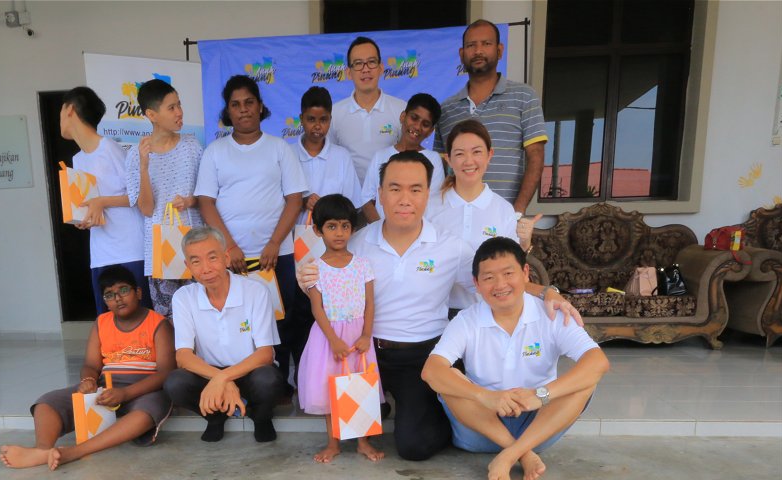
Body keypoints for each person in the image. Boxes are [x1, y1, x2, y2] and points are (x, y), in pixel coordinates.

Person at [297, 151, 581, 461]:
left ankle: (423, 409)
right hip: (364, 351)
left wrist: (548, 292)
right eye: (395, 188)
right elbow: (323, 282)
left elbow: (493, 282)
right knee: (353, 406)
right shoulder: (356, 242)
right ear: (379, 194)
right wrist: (304, 278)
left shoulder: (450, 246)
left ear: (428, 194)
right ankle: (379, 408)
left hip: (420, 355)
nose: (405, 198)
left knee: (415, 447)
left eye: (415, 189)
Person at [422, 237, 609, 480]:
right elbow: (431, 371)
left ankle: (509, 455)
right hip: (482, 429)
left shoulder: (551, 315)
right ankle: (522, 454)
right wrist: (485, 396)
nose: (500, 285)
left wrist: (540, 395)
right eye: (488, 278)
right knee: (449, 379)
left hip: (538, 426)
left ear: (525, 273)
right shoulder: (467, 320)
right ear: (476, 284)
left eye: (508, 273)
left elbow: (598, 362)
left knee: (584, 383)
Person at [195, 75, 308, 393]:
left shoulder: (279, 149)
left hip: (277, 255)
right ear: (227, 112)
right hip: (230, 258)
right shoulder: (215, 152)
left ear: (260, 107)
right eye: (235, 104)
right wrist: (229, 247)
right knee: (236, 320)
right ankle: (237, 381)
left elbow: (294, 200)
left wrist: (274, 243)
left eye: (249, 102)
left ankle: (280, 385)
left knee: (280, 321)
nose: (243, 110)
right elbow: (206, 202)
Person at [0, 266, 174, 471]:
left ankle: (74, 452)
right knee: (47, 402)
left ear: (138, 292)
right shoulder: (101, 323)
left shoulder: (158, 324)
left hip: (144, 389)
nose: (118, 298)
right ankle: (42, 451)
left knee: (146, 414)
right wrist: (88, 381)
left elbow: (165, 372)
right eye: (109, 295)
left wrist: (125, 393)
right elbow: (91, 365)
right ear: (105, 302)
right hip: (106, 388)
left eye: (123, 290)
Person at [164, 226, 287, 444]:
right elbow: (183, 356)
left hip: (250, 369)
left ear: (226, 257)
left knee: (268, 380)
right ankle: (215, 416)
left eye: (212, 258)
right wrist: (218, 378)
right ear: (188, 266)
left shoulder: (255, 291)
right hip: (208, 372)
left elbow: (266, 354)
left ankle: (260, 416)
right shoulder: (183, 297)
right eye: (196, 261)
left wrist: (223, 378)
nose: (206, 268)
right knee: (175, 383)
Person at [296, 194, 384, 464]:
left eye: (345, 226)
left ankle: (362, 442)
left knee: (360, 386)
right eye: (332, 226)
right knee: (329, 389)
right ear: (318, 230)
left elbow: (370, 303)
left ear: (352, 229)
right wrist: (333, 340)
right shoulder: (315, 268)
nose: (339, 233)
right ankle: (333, 442)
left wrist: (366, 334)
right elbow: (317, 309)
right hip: (328, 338)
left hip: (358, 336)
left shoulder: (362, 265)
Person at [433, 19, 547, 215]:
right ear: (462, 55)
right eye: (471, 45)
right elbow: (440, 167)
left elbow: (535, 157)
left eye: (486, 44)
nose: (478, 51)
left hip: (505, 216)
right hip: (456, 217)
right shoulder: (447, 109)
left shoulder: (524, 96)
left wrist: (516, 212)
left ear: (499, 50)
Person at [432, 119, 541, 308]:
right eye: (459, 154)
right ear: (448, 159)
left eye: (477, 152)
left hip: (488, 312)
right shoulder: (430, 207)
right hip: (435, 316)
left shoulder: (503, 210)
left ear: (489, 155)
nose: (469, 161)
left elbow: (511, 268)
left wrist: (524, 244)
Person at [59, 87, 148, 314]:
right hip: (100, 253)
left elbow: (139, 197)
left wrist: (102, 201)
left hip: (130, 251)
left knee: (138, 319)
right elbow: (91, 203)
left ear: (70, 109)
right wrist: (85, 218)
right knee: (109, 323)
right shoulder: (78, 159)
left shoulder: (110, 148)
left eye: (61, 110)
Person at [126, 78, 203, 319]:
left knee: (203, 317)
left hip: (197, 248)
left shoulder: (192, 146)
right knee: (170, 322)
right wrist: (144, 167)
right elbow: (147, 209)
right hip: (162, 253)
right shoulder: (134, 156)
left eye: (179, 105)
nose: (179, 112)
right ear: (151, 114)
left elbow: (208, 196)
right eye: (171, 107)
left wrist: (190, 201)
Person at [328, 36, 407, 184]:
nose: (365, 69)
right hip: (348, 202)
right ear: (348, 72)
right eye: (358, 64)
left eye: (371, 62)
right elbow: (330, 162)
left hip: (390, 200)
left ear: (381, 68)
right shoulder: (334, 114)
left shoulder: (401, 109)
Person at [360, 92, 445, 223]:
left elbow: (433, 203)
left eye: (425, 124)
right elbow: (366, 200)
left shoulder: (433, 160)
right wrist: (382, 229)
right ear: (403, 116)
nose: (417, 126)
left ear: (431, 131)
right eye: (414, 118)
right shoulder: (380, 156)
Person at [294, 86, 362, 224]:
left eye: (323, 120)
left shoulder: (342, 157)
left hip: (333, 241)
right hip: (294, 240)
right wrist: (302, 202)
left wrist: (326, 207)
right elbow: (275, 203)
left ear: (330, 120)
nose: (317, 126)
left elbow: (352, 205)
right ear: (301, 119)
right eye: (311, 119)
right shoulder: (287, 154)